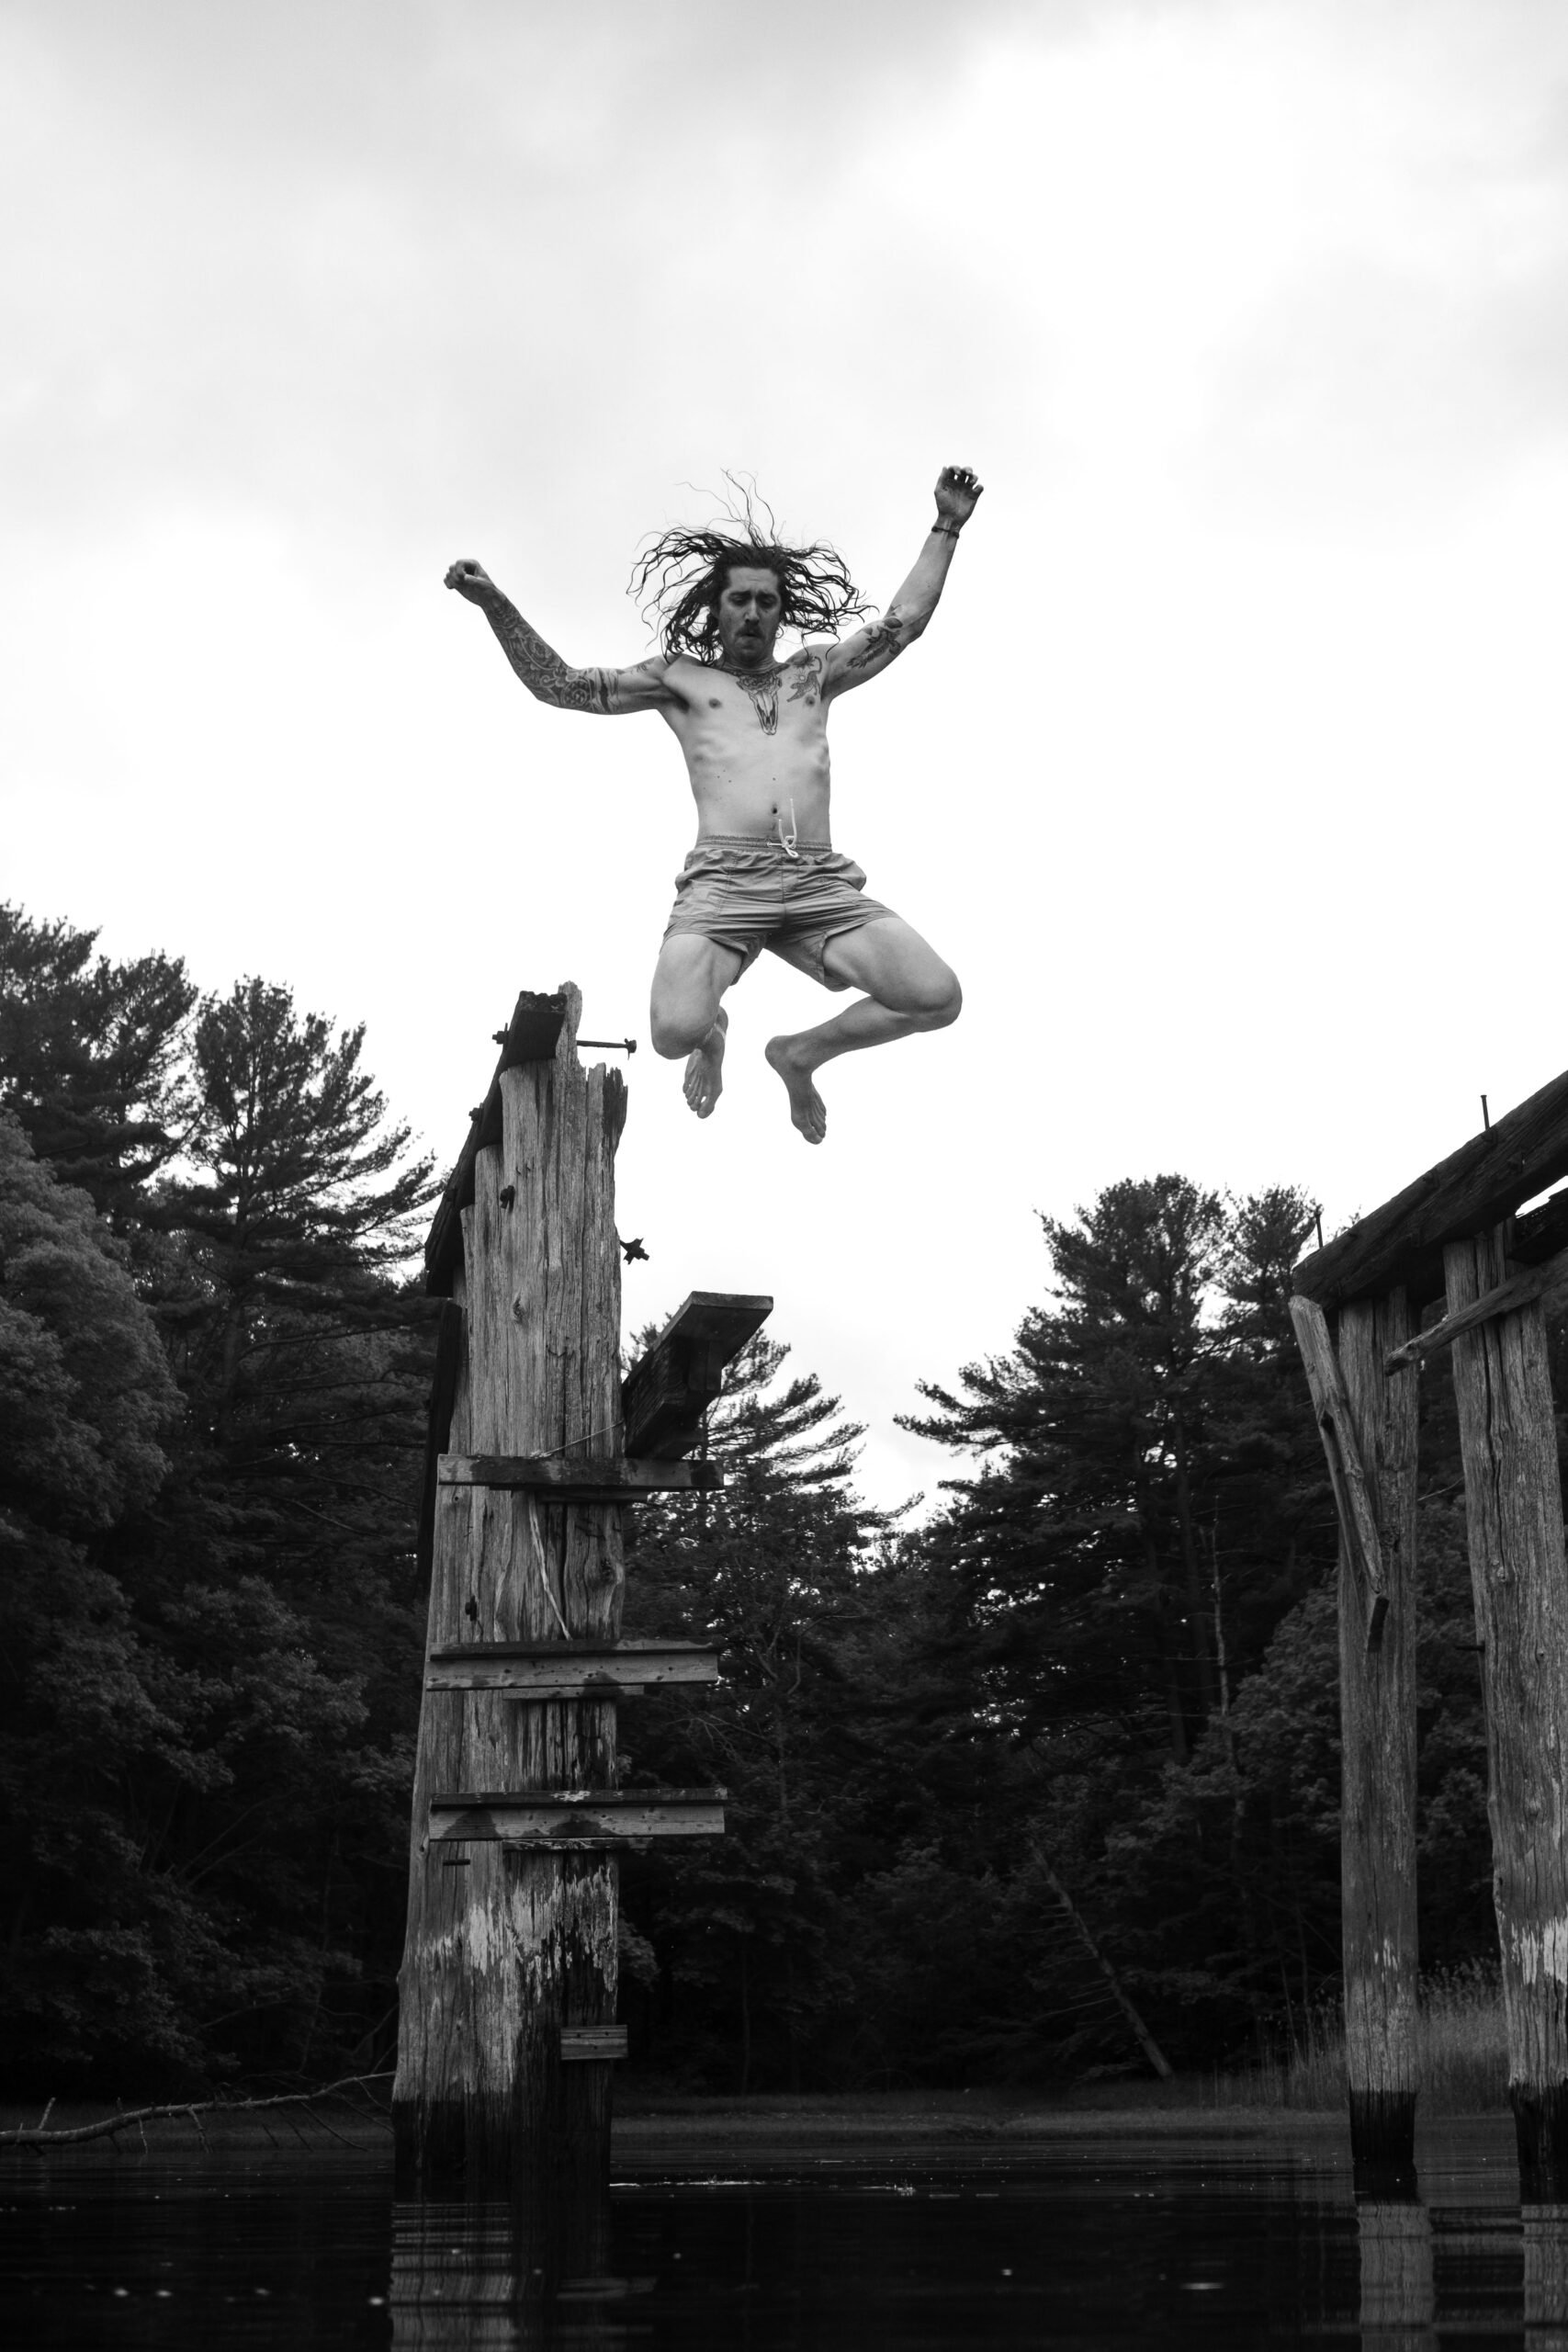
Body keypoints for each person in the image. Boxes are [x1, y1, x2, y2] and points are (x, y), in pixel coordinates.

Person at [444, 466, 981, 1143]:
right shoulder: (678, 679)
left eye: (765, 601)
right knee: (673, 1034)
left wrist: (947, 525)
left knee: (939, 998)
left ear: (780, 611)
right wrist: (495, 604)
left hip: (816, 881)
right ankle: (714, 1032)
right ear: (716, 609)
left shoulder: (813, 673)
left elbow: (901, 624)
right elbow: (561, 685)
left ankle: (799, 1053)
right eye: (739, 601)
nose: (753, 612)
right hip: (725, 882)